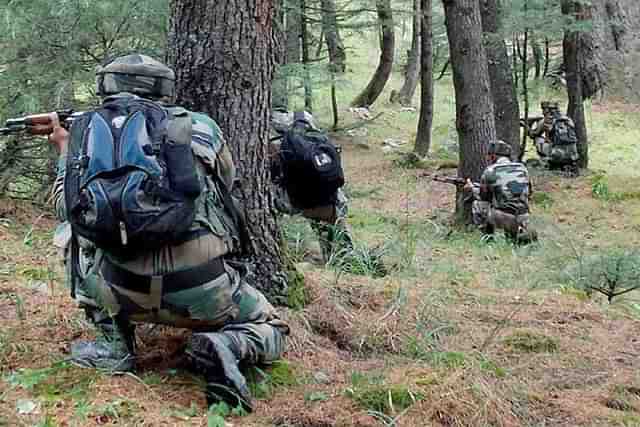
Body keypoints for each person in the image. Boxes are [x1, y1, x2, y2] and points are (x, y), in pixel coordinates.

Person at [49, 54, 288, 411]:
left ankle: (116, 347)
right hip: (204, 292)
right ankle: (227, 345)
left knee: (70, 231)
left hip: (120, 289)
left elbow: (64, 205)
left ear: (107, 86)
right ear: (165, 89)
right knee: (273, 328)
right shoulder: (201, 126)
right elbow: (226, 182)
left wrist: (65, 150)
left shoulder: (84, 131)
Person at [269, 108, 353, 261]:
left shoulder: (264, 126)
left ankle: (281, 257)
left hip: (289, 198)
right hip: (327, 198)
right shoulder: (302, 119)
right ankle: (345, 262)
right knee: (338, 243)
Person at [465, 140, 536, 243]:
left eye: (489, 156)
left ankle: (488, 238)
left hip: (504, 217)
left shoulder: (490, 171)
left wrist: (472, 188)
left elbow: (483, 196)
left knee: (478, 205)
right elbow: (529, 193)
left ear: (494, 156)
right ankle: (516, 234)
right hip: (524, 216)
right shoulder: (522, 168)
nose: (488, 158)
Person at [528, 101, 579, 172]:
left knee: (538, 139)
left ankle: (548, 161)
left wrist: (527, 126)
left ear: (547, 110)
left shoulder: (545, 121)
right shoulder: (567, 119)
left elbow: (533, 135)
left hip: (557, 155)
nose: (542, 111)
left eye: (543, 109)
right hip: (573, 155)